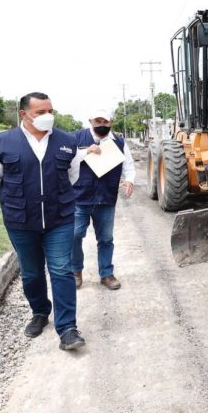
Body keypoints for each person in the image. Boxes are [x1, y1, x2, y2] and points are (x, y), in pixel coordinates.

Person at [0, 92, 86, 351]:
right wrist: (21, 202)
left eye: (49, 110)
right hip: (20, 221)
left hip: (59, 219)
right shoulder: (1, 143)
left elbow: (72, 176)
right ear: (24, 114)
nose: (47, 116)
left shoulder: (67, 141)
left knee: (62, 270)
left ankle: (68, 328)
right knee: (31, 272)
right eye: (40, 112)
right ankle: (40, 311)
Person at [71, 109, 135, 290]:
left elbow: (128, 165)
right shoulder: (76, 139)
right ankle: (76, 271)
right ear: (90, 120)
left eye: (105, 122)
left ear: (111, 122)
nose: (101, 125)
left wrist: (129, 179)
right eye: (97, 121)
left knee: (106, 238)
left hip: (106, 198)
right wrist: (86, 151)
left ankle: (106, 274)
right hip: (80, 198)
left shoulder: (119, 142)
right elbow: (66, 161)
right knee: (75, 236)